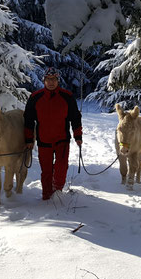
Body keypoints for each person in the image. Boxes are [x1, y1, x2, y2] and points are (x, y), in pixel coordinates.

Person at [24, 67, 82, 200]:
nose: (51, 82)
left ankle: (57, 192)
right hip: (44, 141)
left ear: (58, 80)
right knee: (46, 171)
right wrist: (29, 140)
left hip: (62, 140)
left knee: (61, 168)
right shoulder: (35, 97)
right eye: (48, 79)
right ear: (44, 80)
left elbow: (75, 117)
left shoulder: (67, 96)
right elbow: (28, 120)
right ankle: (47, 195)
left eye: (54, 79)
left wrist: (78, 135)